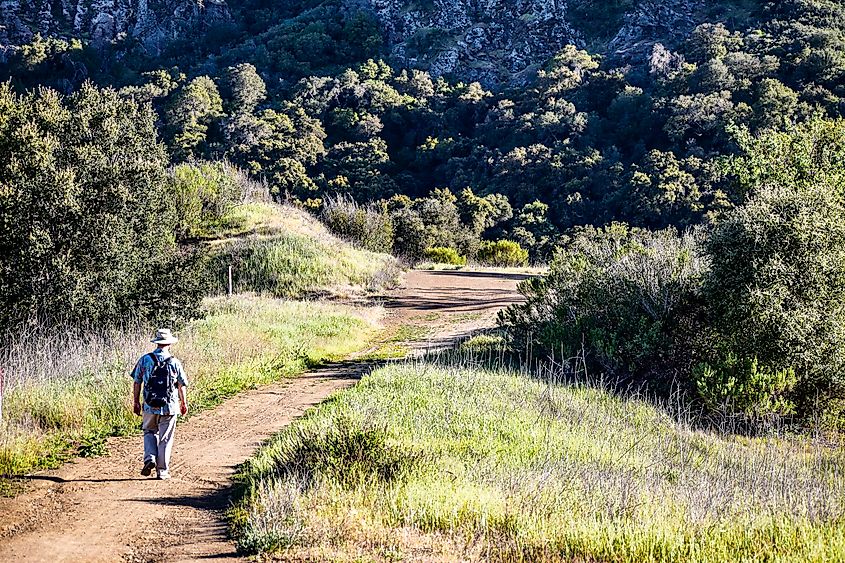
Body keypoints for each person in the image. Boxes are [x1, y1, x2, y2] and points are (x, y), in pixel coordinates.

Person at [130, 328, 189, 480]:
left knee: (149, 432)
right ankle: (162, 471)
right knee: (165, 438)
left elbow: (137, 381)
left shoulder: (145, 359)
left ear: (157, 343)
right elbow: (181, 385)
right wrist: (183, 403)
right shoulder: (175, 362)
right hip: (170, 406)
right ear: (169, 343)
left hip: (149, 405)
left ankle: (150, 458)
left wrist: (136, 401)